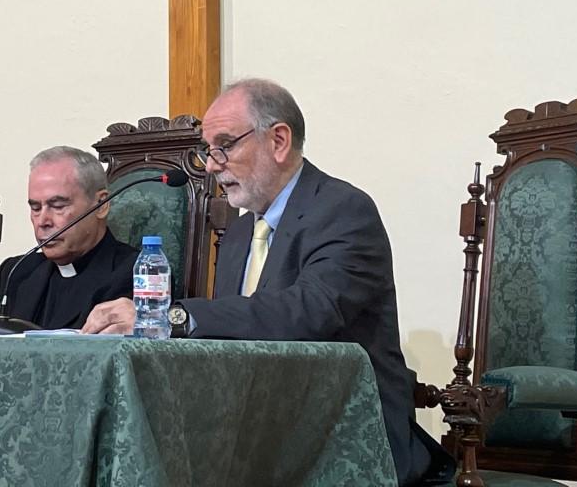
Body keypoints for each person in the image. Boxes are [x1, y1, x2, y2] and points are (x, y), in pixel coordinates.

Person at [82, 79, 450, 487]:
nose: (211, 164)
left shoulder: (344, 210)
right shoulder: (240, 234)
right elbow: (232, 341)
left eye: (225, 145)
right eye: (208, 150)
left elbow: (307, 312)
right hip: (256, 433)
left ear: (278, 140)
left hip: (345, 432)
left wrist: (175, 316)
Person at [0, 145, 136, 330]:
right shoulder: (19, 271)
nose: (43, 221)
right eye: (35, 208)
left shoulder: (136, 273)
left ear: (101, 205)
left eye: (58, 206)